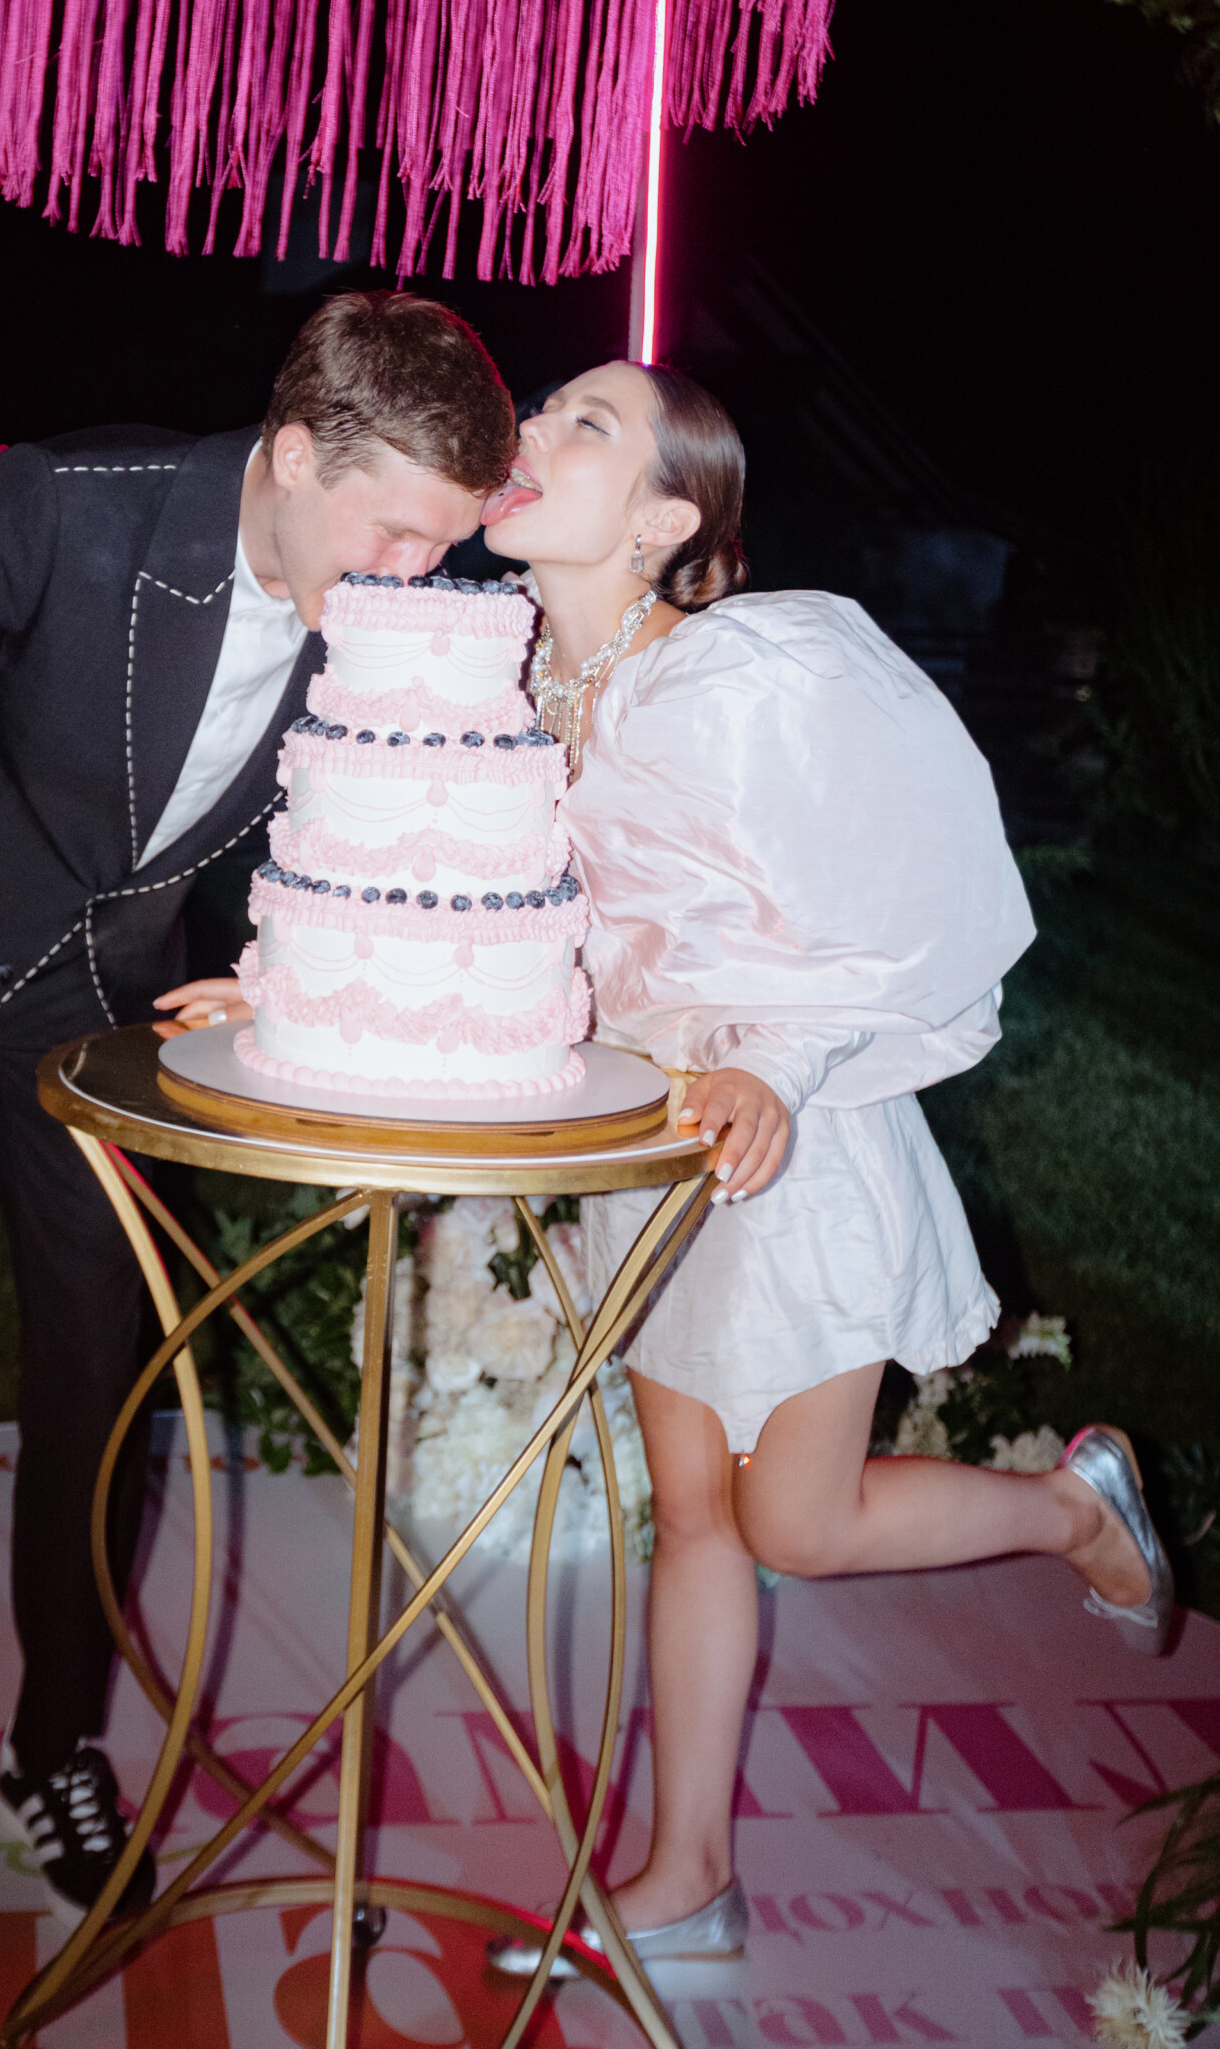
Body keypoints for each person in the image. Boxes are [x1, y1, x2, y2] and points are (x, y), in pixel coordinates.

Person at [0, 291, 514, 1994]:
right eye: (396, 533)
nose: (417, 578)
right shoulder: (62, 506)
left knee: (101, 1376)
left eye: (443, 544)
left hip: (100, 1002)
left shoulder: (380, 600)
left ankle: (59, 1749)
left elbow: (353, 822)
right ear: (294, 454)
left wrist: (273, 967)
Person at [476, 357, 1173, 1984]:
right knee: (693, 1516)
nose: (533, 432)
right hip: (648, 1149)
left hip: (789, 1140)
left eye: (587, 424)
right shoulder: (514, 679)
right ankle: (687, 1878)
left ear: (665, 522)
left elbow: (895, 896)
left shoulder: (743, 675)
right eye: (547, 407)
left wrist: (775, 1070)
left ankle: (1073, 1509)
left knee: (794, 1519)